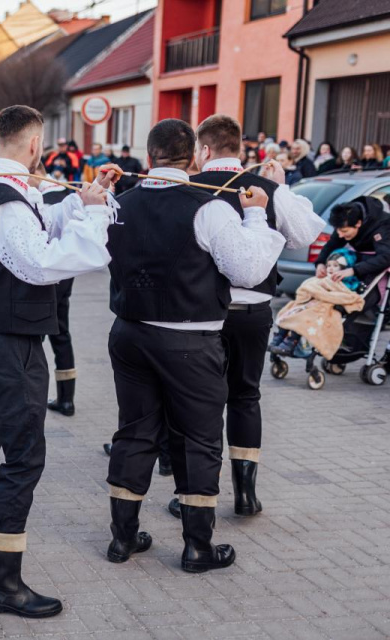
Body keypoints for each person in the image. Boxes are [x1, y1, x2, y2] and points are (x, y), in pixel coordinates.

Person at [0, 105, 115, 618]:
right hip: (6, 343)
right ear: (36, 144)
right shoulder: (6, 199)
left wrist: (83, 200)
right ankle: (1, 581)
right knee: (24, 456)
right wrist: (97, 216)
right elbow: (41, 262)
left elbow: (43, 219)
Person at [103, 118, 285, 575]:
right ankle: (197, 547)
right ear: (194, 158)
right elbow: (248, 271)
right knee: (199, 438)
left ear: (150, 156)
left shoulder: (120, 202)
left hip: (129, 332)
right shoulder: (208, 207)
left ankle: (122, 537)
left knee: (135, 431)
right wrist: (257, 215)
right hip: (188, 338)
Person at [182, 115, 325, 518]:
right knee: (245, 397)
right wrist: (282, 188)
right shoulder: (266, 188)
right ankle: (246, 495)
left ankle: (198, 493)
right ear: (240, 148)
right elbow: (306, 234)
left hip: (203, 314)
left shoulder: (189, 187)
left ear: (204, 149)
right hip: (253, 312)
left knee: (202, 403)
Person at [28, 163, 79, 417]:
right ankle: (66, 399)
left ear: (35, 173)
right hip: (66, 274)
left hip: (46, 275)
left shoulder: (43, 200)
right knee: (61, 333)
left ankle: (31, 397)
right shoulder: (68, 194)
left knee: (33, 336)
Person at [270, 249, 365, 358]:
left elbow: (347, 297)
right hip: (312, 303)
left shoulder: (346, 285)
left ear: (345, 269)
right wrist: (311, 292)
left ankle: (291, 341)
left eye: (335, 266)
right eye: (329, 265)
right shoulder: (324, 279)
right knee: (291, 310)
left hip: (325, 307)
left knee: (303, 316)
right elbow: (307, 289)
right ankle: (280, 336)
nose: (331, 268)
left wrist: (322, 294)